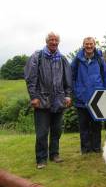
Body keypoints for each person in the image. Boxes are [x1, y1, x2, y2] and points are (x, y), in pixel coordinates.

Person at [24, 32, 72, 169]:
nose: (54, 42)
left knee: (57, 130)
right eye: (51, 40)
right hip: (42, 101)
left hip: (59, 101)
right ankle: (41, 159)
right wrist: (33, 97)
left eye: (56, 40)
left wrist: (68, 95)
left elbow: (67, 79)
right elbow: (30, 78)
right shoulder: (37, 56)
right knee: (42, 132)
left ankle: (54, 154)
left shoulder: (62, 58)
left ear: (58, 42)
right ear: (47, 41)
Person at [71, 37, 106, 154]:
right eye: (86, 44)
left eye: (91, 44)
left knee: (96, 125)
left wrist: (105, 92)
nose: (89, 46)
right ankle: (85, 149)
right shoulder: (77, 60)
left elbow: (105, 76)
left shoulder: (99, 59)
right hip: (81, 98)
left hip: (97, 97)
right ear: (83, 45)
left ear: (94, 45)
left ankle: (96, 148)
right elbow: (71, 77)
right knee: (83, 126)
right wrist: (75, 91)